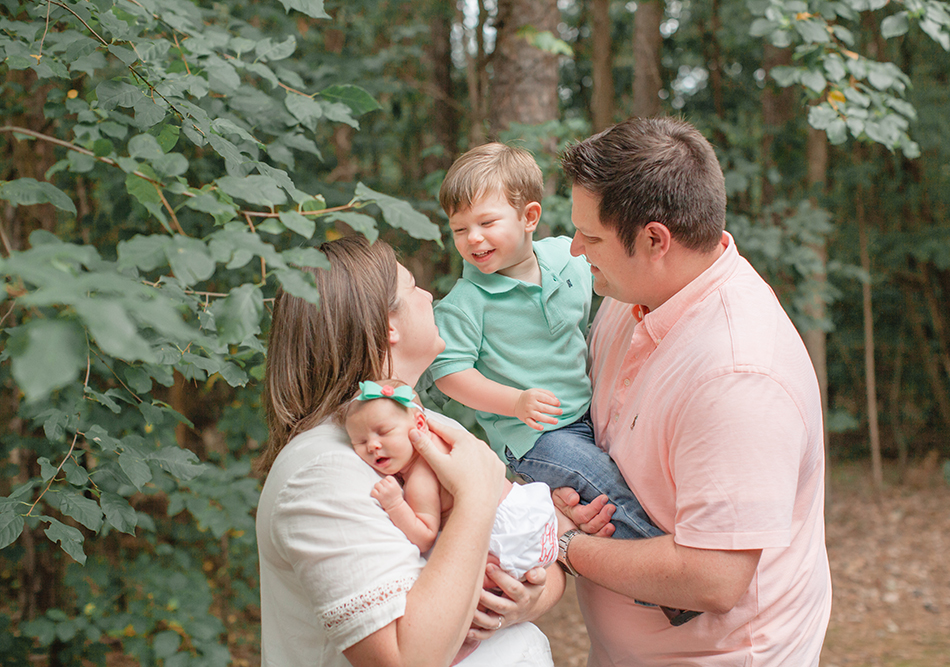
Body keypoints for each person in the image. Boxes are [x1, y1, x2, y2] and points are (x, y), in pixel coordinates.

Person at [552, 116, 832, 665]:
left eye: (591, 236)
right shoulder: (628, 297)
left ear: (655, 239)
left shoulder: (738, 372)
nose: (575, 251)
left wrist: (562, 543)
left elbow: (713, 577)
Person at [255, 235, 562, 667]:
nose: (430, 294)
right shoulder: (324, 470)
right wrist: (475, 494)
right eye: (414, 286)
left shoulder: (431, 429)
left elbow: (538, 552)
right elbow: (403, 659)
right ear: (388, 327)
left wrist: (525, 600)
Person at [428, 142, 660, 542]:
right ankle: (669, 575)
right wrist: (514, 402)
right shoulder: (467, 302)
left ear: (529, 217)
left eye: (486, 223)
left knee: (632, 480)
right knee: (606, 487)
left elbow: (616, 278)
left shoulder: (567, 258)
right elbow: (449, 373)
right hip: (536, 438)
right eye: (460, 229)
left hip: (590, 413)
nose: (473, 239)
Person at [341, 379, 558, 593]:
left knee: (456, 584)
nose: (372, 446)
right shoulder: (446, 437)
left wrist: (394, 503)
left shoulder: (420, 478)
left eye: (383, 432)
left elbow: (425, 536)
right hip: (526, 510)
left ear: (419, 424)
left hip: (503, 536)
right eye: (359, 442)